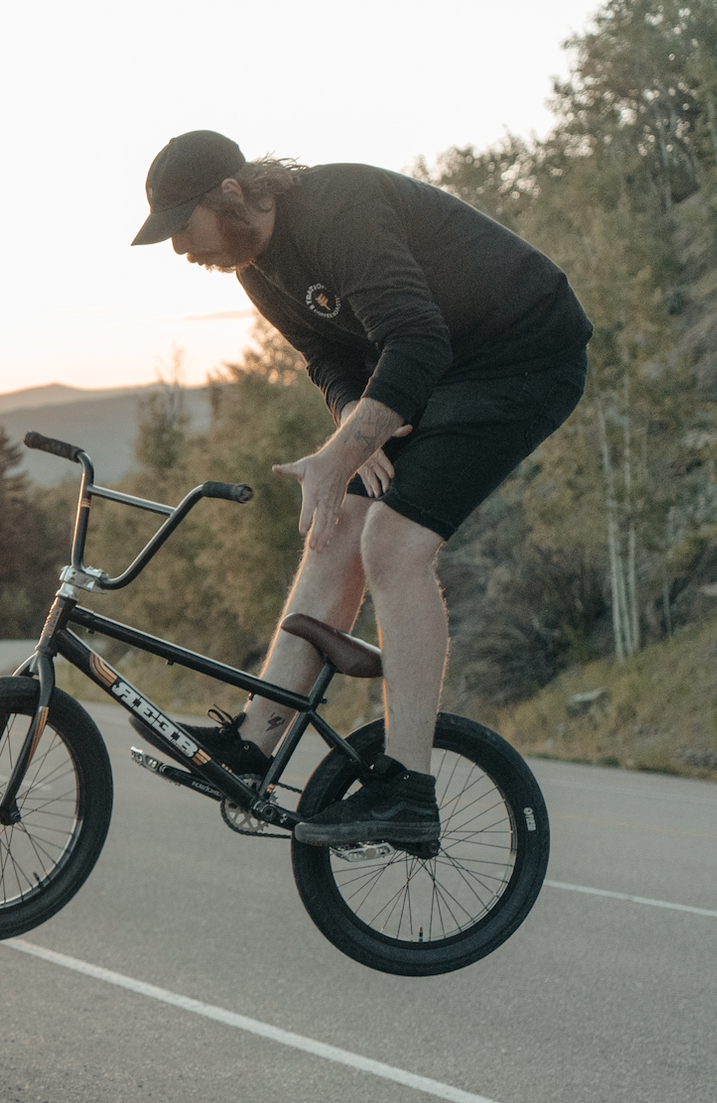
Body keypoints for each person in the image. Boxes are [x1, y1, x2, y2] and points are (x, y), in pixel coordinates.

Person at [127, 130, 591, 846]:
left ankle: (408, 787)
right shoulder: (254, 266)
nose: (183, 252)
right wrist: (353, 422)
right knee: (337, 523)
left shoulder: (337, 207)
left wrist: (344, 450)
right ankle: (255, 743)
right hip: (441, 367)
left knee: (395, 542)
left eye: (183, 229)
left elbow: (417, 339)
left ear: (232, 192)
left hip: (520, 354)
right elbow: (328, 355)